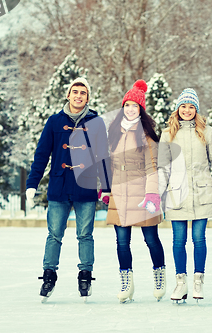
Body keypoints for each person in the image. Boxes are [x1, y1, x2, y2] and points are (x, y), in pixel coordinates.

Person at [26, 77, 111, 302]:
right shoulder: (54, 122)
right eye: (75, 92)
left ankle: (85, 276)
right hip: (59, 186)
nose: (78, 96)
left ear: (88, 98)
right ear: (68, 95)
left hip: (85, 187)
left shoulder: (96, 122)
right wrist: (32, 183)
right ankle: (48, 275)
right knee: (54, 234)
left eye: (83, 93)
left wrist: (107, 186)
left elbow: (103, 157)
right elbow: (42, 154)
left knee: (85, 235)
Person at [158, 88, 212, 303]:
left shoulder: (206, 132)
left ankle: (198, 280)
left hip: (202, 191)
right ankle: (181, 283)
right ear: (178, 109)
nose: (187, 110)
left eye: (191, 107)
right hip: (177, 193)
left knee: (199, 238)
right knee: (178, 240)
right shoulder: (167, 134)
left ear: (196, 110)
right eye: (184, 106)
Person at [105, 79, 166, 303]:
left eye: (135, 105)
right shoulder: (114, 131)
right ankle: (126, 284)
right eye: (127, 105)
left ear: (141, 109)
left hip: (142, 194)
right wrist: (105, 189)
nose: (130, 109)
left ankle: (159, 275)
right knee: (122, 242)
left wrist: (151, 195)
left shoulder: (146, 134)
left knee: (151, 239)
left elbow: (152, 167)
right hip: (120, 193)